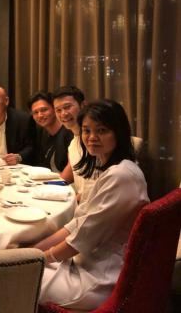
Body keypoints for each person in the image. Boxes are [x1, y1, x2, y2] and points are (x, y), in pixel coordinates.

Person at [35, 99, 149, 310]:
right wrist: (34, 250)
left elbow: (80, 240)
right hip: (87, 262)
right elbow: (75, 225)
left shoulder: (121, 176)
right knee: (18, 259)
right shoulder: (108, 168)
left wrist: (38, 259)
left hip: (99, 279)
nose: (92, 137)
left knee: (13, 278)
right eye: (86, 130)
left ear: (118, 132)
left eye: (102, 130)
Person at [52, 86, 91, 201]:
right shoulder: (73, 144)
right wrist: (48, 186)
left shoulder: (94, 141)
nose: (63, 114)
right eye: (58, 110)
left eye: (67, 107)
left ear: (83, 105)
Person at [28, 91, 73, 172]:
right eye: (35, 112)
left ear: (54, 109)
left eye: (44, 110)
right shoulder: (42, 133)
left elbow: (72, 167)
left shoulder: (68, 131)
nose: (40, 115)